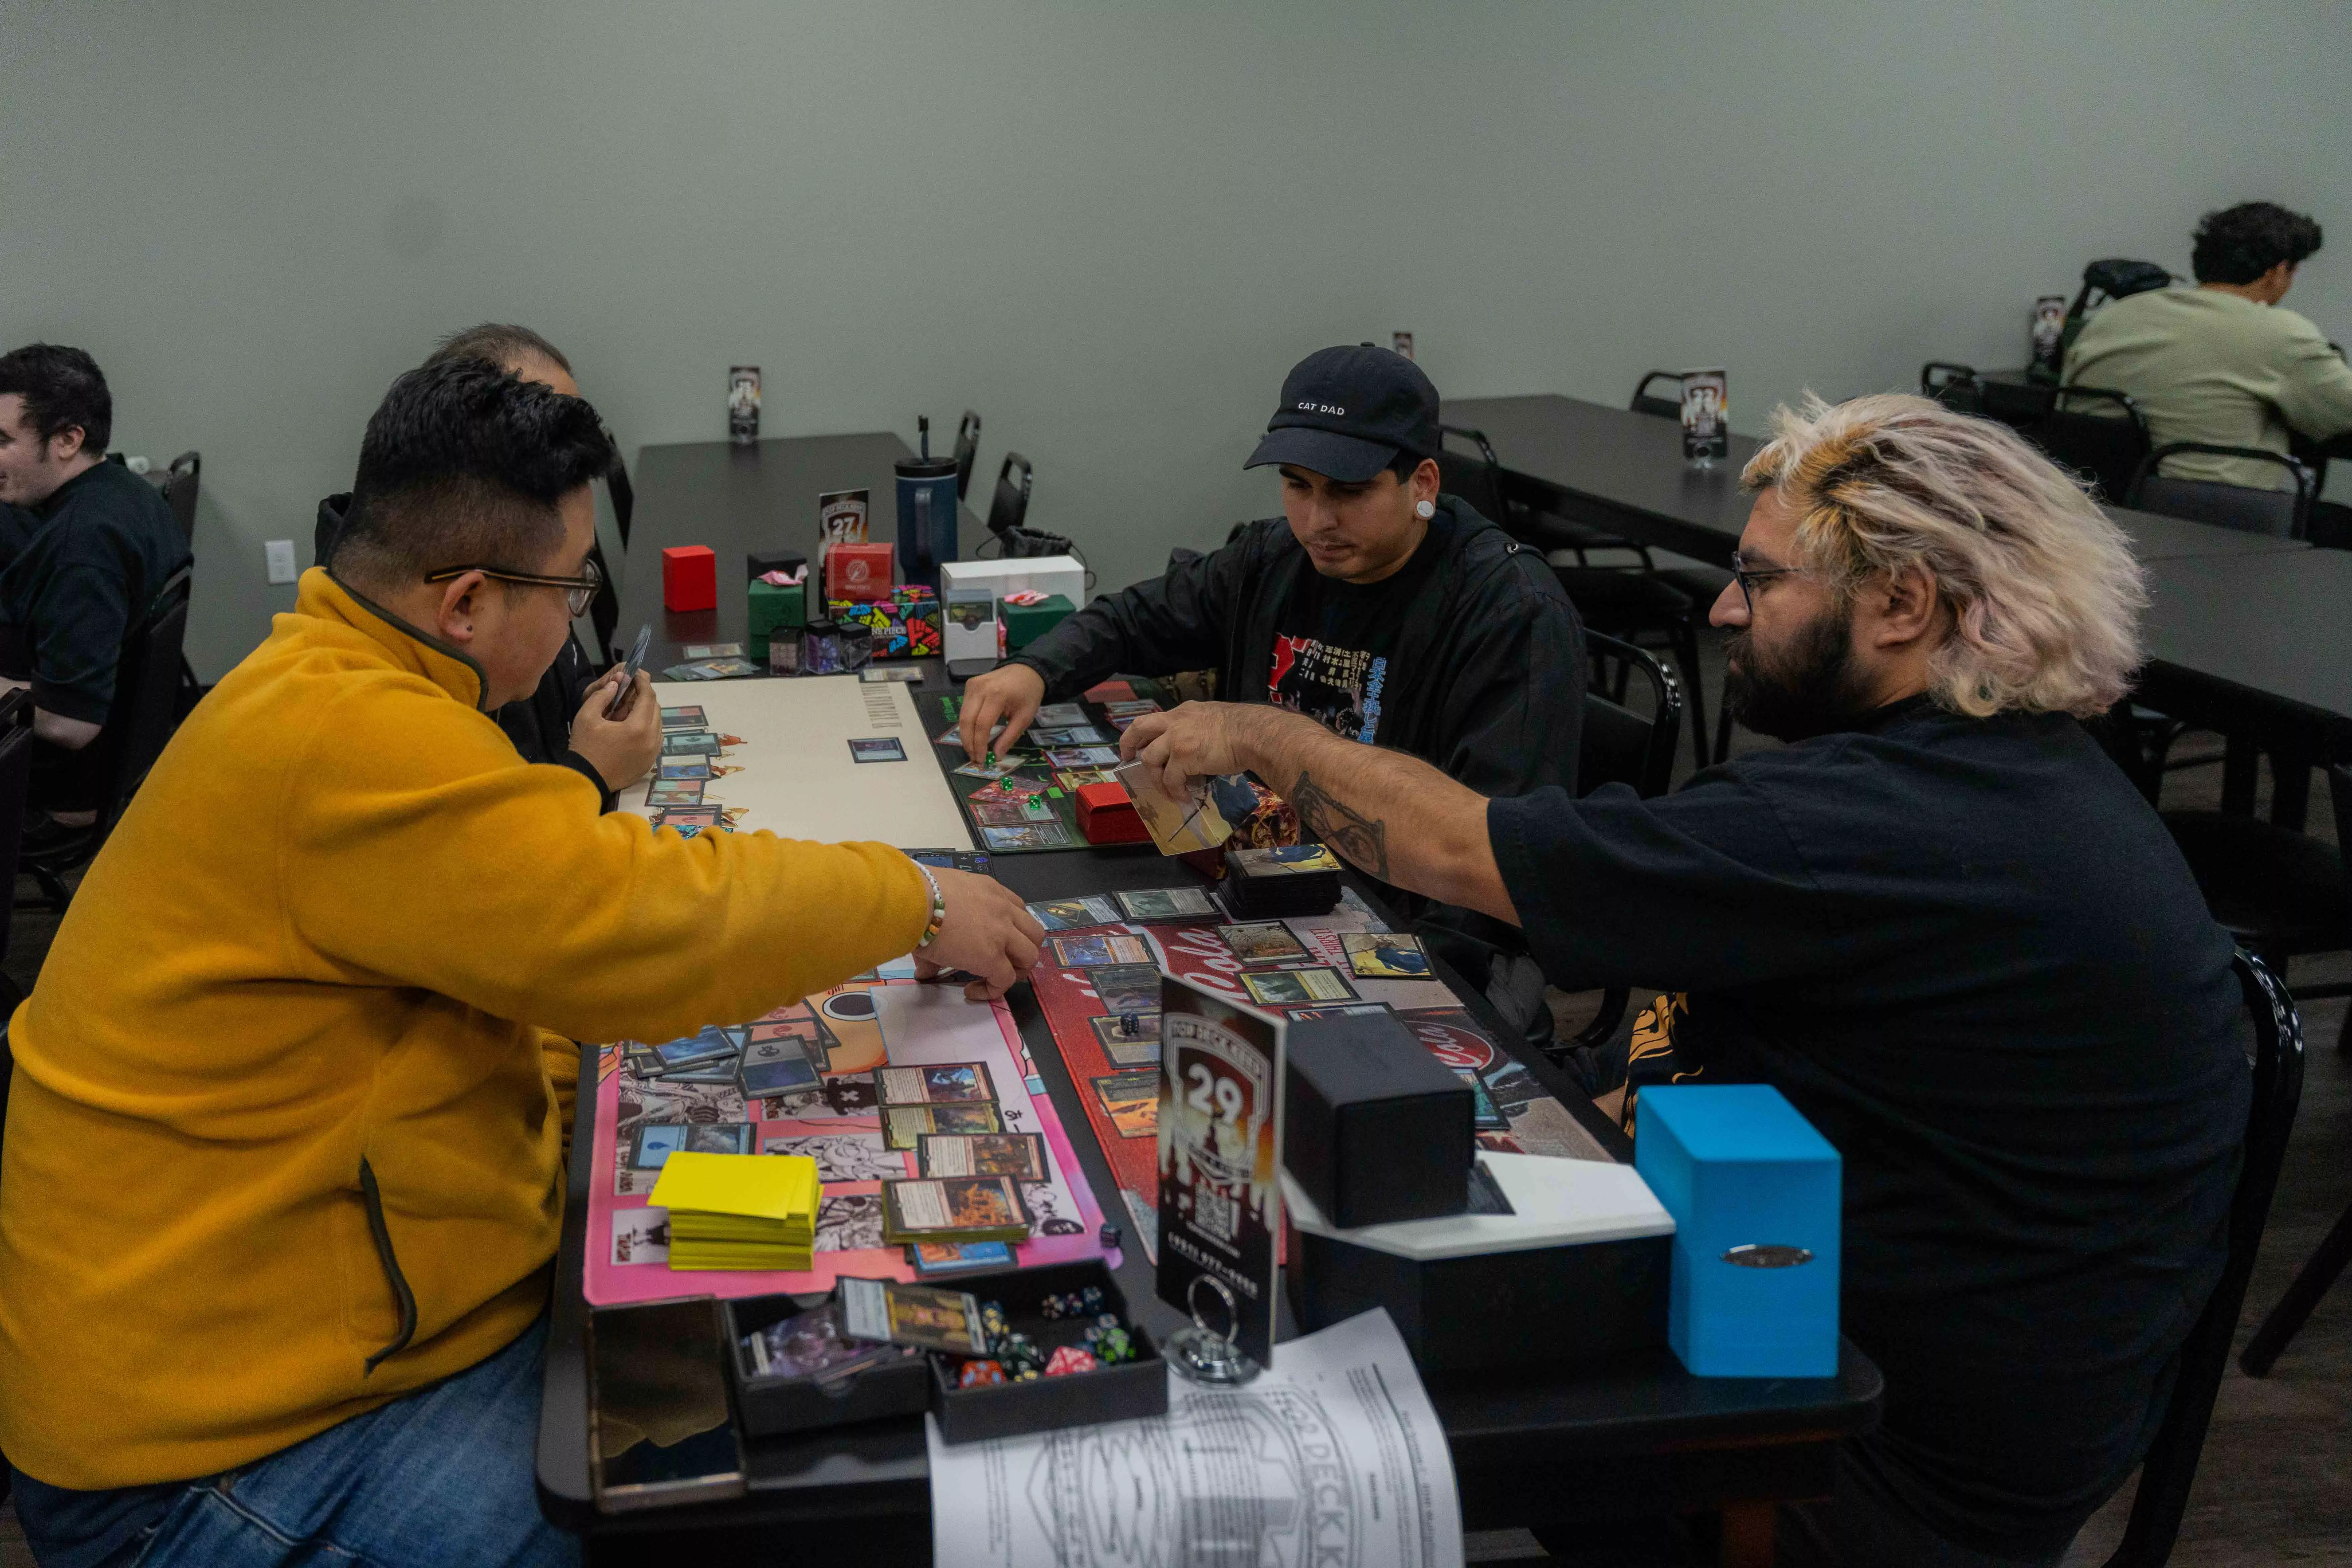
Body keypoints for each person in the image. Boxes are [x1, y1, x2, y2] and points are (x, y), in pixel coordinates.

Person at [1119, 392, 2248, 1567]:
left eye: (1758, 582)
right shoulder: (2017, 781)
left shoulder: (1869, 826)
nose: (1720, 610)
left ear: (1902, 605)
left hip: (1854, 1457)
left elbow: (1459, 849)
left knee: (1269, 1373)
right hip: (1933, 1380)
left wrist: (1263, 737)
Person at [0, 360, 1044, 1567]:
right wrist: (911, 897)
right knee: (678, 1513)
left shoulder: (335, 682)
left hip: (278, 1330)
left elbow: (533, 942)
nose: (579, 608)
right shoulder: (350, 735)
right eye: (574, 584)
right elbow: (631, 924)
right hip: (195, 1460)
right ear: (467, 602)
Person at [958, 344, 1584, 1031]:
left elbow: (1492, 876)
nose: (1318, 520)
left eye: (1349, 491)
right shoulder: (1275, 556)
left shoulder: (1511, 614)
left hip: (1420, 931)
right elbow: (1135, 618)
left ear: (1424, 483)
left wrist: (1401, 1008)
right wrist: (1036, 668)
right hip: (1267, 885)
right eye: (1297, 484)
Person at [314, 323, 649, 805]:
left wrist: (591, 708)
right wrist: (590, 774)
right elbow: (505, 848)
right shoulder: (379, 725)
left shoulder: (503, 575)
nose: (565, 462)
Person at [0, 343, 193, 848]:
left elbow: (70, 724)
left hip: (54, 791)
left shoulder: (82, 547)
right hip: (107, 765)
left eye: (1, 441)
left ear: (67, 440)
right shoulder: (127, 494)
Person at [2064, 200, 2352, 491]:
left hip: (2103, 511)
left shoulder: (2114, 316)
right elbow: (2343, 412)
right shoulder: (2278, 332)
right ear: (2277, 272)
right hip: (2222, 519)